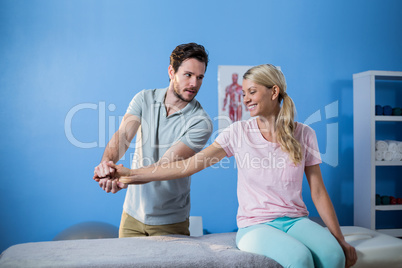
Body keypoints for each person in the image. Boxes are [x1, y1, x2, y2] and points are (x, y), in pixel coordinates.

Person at [105, 64, 358, 268]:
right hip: (255, 226)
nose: (246, 99)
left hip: (295, 220)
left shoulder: (304, 134)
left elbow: (318, 191)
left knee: (333, 256)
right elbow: (189, 165)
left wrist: (340, 239)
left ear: (274, 92)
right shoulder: (238, 132)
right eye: (244, 93)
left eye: (252, 91)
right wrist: (130, 174)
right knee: (300, 259)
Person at [93, 42, 213, 238]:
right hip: (131, 215)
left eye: (200, 77)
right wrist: (106, 166)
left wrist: (125, 176)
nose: (194, 84)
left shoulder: (201, 122)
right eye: (188, 75)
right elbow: (122, 136)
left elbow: (167, 165)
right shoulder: (143, 98)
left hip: (170, 221)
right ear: (171, 71)